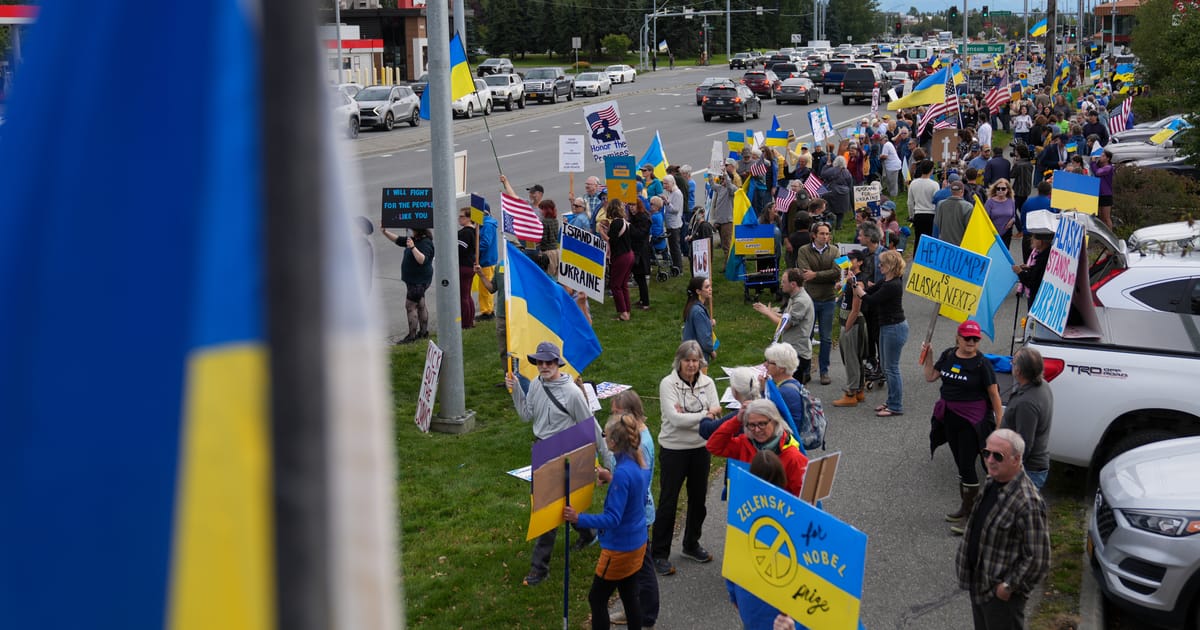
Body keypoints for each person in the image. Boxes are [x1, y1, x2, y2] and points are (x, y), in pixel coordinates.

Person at [508, 341, 613, 587]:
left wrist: (608, 462)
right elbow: (526, 415)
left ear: (558, 363)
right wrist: (515, 390)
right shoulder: (536, 384)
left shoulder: (573, 393)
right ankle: (587, 534)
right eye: (540, 362)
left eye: (549, 362)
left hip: (566, 454)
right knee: (560, 505)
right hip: (542, 451)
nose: (544, 366)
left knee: (547, 512)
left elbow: (591, 427)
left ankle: (539, 568)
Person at [955, 429, 1051, 630]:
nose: (990, 460)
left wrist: (1008, 586)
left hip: (1001, 598)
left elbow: (1038, 559)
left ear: (1016, 459)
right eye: (986, 453)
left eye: (998, 456)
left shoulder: (1028, 502)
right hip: (979, 584)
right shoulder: (993, 481)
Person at [563, 413, 652, 630]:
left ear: (612, 442)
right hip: (638, 542)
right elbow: (636, 496)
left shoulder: (622, 473)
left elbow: (613, 519)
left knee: (597, 598)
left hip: (620, 548)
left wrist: (578, 518)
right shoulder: (639, 462)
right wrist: (611, 478)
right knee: (629, 594)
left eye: (604, 435)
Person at [922, 320, 1004, 535]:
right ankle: (965, 507)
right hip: (949, 419)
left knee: (967, 466)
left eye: (975, 339)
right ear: (958, 337)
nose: (971, 342)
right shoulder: (949, 355)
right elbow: (930, 377)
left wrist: (999, 425)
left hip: (971, 422)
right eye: (967, 338)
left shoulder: (982, 364)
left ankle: (972, 518)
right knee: (960, 464)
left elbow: (994, 395)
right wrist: (929, 356)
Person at [652, 340, 722, 576]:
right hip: (673, 449)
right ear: (679, 361)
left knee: (698, 499)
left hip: (700, 448)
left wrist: (694, 416)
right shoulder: (667, 384)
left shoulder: (708, 383)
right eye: (687, 360)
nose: (691, 365)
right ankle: (659, 553)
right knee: (668, 501)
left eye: (695, 360)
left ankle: (691, 544)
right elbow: (674, 420)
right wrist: (704, 415)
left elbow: (716, 414)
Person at [725, 450, 802, 630]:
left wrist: (734, 595)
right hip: (781, 610)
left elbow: (732, 562)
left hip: (750, 603)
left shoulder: (742, 515)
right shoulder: (793, 514)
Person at [606, 390, 660, 628]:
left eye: (616, 413)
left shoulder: (642, 443)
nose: (613, 417)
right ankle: (637, 608)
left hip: (637, 513)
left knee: (642, 567)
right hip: (638, 510)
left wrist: (613, 479)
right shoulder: (638, 436)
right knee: (638, 566)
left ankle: (646, 613)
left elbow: (637, 484)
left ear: (630, 413)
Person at [708, 398, 809, 497]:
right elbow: (714, 446)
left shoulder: (794, 457)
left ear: (775, 421)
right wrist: (737, 420)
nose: (757, 430)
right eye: (752, 425)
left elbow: (804, 499)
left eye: (762, 424)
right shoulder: (744, 444)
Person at [855, 250, 907, 417]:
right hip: (886, 326)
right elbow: (872, 290)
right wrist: (858, 283)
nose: (879, 266)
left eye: (882, 263)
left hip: (894, 328)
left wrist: (858, 289)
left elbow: (871, 299)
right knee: (885, 366)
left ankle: (896, 405)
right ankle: (891, 400)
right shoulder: (886, 280)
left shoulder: (893, 285)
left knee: (891, 368)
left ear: (890, 266)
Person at [795, 221, 838, 385]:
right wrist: (825, 275)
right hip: (810, 299)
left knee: (826, 337)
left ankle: (824, 371)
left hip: (828, 298)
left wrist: (816, 275)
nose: (825, 237)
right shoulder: (803, 250)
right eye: (822, 233)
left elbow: (837, 272)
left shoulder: (834, 250)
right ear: (814, 235)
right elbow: (805, 274)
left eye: (827, 234)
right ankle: (806, 370)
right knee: (807, 336)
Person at [753, 268, 814, 383]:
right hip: (792, 349)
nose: (781, 284)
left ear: (793, 284)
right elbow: (786, 317)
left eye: (784, 281)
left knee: (791, 386)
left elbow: (786, 325)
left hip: (798, 352)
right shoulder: (794, 297)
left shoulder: (801, 301)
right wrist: (770, 311)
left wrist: (767, 313)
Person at [1004, 348, 1053, 490]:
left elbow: (1024, 444)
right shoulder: (1042, 384)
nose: (1011, 365)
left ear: (1018, 371)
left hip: (1028, 471)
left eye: (1013, 363)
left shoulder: (1027, 403)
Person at [383, 226, 433, 343]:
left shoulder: (425, 242)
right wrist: (385, 232)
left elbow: (422, 260)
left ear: (417, 230)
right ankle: (423, 333)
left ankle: (411, 336)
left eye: (410, 229)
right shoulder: (414, 239)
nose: (408, 231)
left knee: (410, 306)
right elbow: (398, 240)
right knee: (420, 304)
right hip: (414, 280)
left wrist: (413, 248)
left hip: (418, 281)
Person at [832, 250, 868, 407]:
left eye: (852, 259)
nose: (848, 262)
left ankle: (851, 393)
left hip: (852, 323)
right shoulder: (851, 278)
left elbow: (856, 306)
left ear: (860, 262)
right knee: (855, 358)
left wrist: (847, 327)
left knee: (851, 358)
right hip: (849, 322)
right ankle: (859, 390)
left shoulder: (859, 282)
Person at [601, 199, 634, 322]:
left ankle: (623, 313)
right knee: (623, 285)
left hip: (621, 257)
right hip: (629, 254)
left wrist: (602, 233)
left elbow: (612, 241)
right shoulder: (624, 222)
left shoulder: (616, 223)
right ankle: (627, 310)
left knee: (615, 285)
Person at [710, 159, 741, 258]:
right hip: (720, 221)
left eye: (723, 179)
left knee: (727, 245)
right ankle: (727, 262)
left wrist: (725, 174)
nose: (722, 181)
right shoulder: (720, 188)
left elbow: (729, 184)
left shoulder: (732, 189)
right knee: (724, 245)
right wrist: (710, 172)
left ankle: (729, 263)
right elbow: (712, 185)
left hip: (727, 222)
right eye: (722, 179)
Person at [907, 159, 939, 252]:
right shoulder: (934, 185)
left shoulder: (913, 183)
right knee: (930, 240)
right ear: (931, 170)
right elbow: (937, 201)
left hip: (918, 214)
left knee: (918, 239)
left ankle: (916, 257)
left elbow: (910, 202)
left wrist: (911, 216)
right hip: (931, 214)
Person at [681, 277, 715, 363]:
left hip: (690, 353)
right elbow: (704, 337)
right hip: (697, 356)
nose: (710, 289)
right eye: (707, 287)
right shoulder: (698, 311)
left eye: (710, 286)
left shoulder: (694, 307)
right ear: (698, 291)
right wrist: (711, 350)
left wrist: (708, 324)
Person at [629, 197, 654, 311]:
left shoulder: (643, 218)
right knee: (637, 276)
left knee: (641, 278)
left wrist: (629, 227)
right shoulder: (634, 217)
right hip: (635, 250)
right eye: (630, 205)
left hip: (641, 251)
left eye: (633, 205)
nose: (631, 207)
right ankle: (642, 299)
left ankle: (646, 303)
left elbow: (640, 234)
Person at [1013, 232, 1052, 302]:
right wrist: (1030, 268)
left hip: (1037, 298)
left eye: (1034, 238)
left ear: (1040, 242)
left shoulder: (1043, 258)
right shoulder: (1046, 254)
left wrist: (1020, 272)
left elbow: (1032, 281)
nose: (1031, 240)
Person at [934, 180, 974, 246]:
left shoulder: (941, 204)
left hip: (944, 244)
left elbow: (937, 222)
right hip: (960, 245)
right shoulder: (968, 206)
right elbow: (969, 228)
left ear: (951, 191)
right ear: (962, 192)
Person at [456, 208, 478, 329]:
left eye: (462, 217)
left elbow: (460, 250)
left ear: (469, 218)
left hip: (463, 266)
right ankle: (471, 319)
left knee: (463, 297)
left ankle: (465, 323)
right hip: (470, 266)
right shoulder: (475, 231)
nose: (459, 219)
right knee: (467, 295)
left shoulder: (465, 233)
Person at [819, 155, 854, 230]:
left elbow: (822, 174)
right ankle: (839, 225)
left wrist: (826, 165)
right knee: (841, 212)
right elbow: (850, 184)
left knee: (829, 209)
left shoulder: (831, 170)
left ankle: (829, 224)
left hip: (832, 191)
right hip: (844, 194)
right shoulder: (847, 172)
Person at [983, 178, 1017, 249]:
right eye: (998, 188)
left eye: (1003, 189)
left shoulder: (1011, 201)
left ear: (1007, 190)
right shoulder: (990, 202)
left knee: (1005, 253)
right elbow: (985, 219)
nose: (1000, 190)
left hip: (1007, 233)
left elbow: (1014, 215)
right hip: (993, 234)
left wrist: (1013, 220)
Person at [662, 176, 684, 275]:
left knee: (675, 248)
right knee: (672, 247)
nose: (664, 186)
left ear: (672, 183)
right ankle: (675, 267)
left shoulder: (677, 193)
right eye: (664, 183)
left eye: (666, 183)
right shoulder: (671, 192)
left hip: (674, 224)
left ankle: (678, 269)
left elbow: (675, 209)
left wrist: (667, 202)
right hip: (670, 224)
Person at [538, 199, 561, 279]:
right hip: (556, 251)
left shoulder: (544, 222)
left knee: (548, 276)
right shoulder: (555, 221)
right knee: (556, 276)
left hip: (548, 253)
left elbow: (543, 240)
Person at [1092, 149, 1115, 228]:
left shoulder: (1108, 167)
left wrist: (1093, 163)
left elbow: (1097, 172)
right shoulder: (1100, 166)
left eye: (1103, 156)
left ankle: (1110, 233)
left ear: (1108, 158)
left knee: (1106, 217)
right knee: (1101, 217)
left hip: (1106, 194)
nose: (1100, 157)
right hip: (1099, 194)